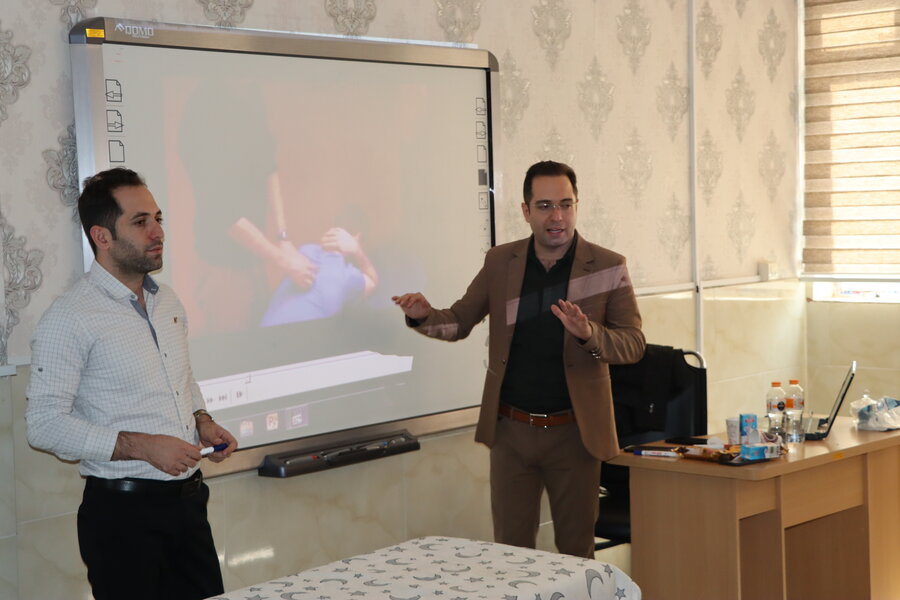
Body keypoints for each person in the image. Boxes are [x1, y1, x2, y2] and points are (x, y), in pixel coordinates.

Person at [393, 160, 645, 558]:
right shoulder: (501, 262)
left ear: (576, 206)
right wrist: (423, 316)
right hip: (511, 433)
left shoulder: (608, 266)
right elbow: (457, 323)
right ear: (526, 211)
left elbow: (633, 344)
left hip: (575, 433)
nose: (557, 216)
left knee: (576, 555)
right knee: (510, 556)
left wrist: (589, 334)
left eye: (565, 204)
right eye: (545, 206)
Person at [25, 167, 238, 600]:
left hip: (190, 505)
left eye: (158, 218)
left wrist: (202, 419)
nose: (158, 232)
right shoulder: (70, 316)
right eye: (140, 222)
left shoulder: (168, 301)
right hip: (122, 515)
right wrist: (143, 446)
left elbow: (180, 378)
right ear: (102, 236)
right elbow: (43, 425)